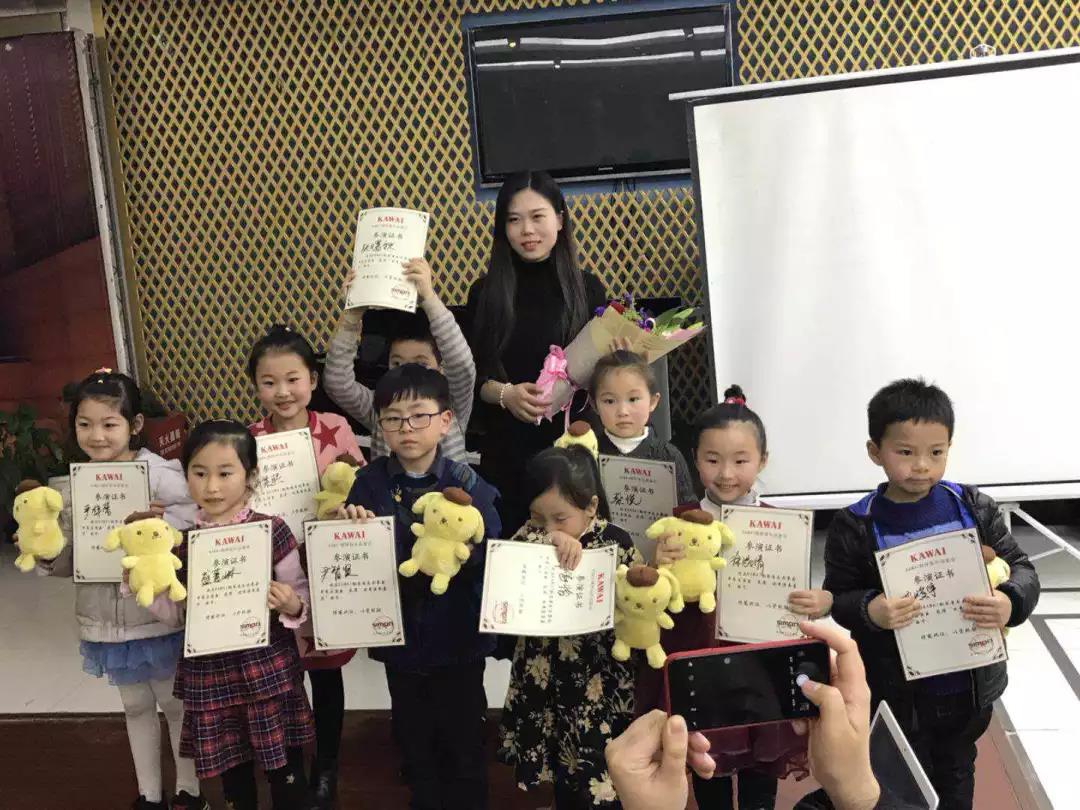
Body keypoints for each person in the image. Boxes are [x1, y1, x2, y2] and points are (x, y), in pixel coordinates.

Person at [823, 378, 1040, 810]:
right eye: (905, 452)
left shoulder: (972, 506)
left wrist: (1009, 601)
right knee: (899, 778)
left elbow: (1023, 569)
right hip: (896, 688)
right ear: (875, 451)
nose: (922, 465)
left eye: (936, 452)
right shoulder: (857, 523)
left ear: (949, 448)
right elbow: (838, 596)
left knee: (957, 770)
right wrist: (870, 609)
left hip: (968, 686)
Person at [640, 385, 827, 809]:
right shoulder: (677, 522)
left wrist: (814, 602)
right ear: (695, 459)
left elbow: (796, 599)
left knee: (763, 761)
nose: (726, 473)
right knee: (709, 760)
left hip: (758, 664)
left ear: (763, 460)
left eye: (741, 461)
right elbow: (654, 596)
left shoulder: (782, 528)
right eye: (712, 460)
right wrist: (658, 565)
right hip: (700, 658)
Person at [32, 370, 205, 810]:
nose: (97, 435)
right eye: (84, 424)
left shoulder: (159, 474)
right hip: (103, 619)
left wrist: (163, 525)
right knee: (134, 705)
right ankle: (149, 795)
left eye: (109, 424)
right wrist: (46, 550)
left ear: (135, 424)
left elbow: (201, 513)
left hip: (156, 613)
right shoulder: (71, 486)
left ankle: (189, 791)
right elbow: (69, 559)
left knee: (174, 703)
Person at [341, 364, 501, 810]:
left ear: (445, 421)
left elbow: (493, 549)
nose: (406, 428)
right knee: (414, 744)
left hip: (459, 638)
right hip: (401, 639)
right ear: (380, 426)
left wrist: (461, 552)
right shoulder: (368, 483)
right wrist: (350, 528)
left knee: (465, 743)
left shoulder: (467, 482)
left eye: (419, 416)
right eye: (393, 419)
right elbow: (351, 557)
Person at [164, 421, 315, 810]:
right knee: (234, 776)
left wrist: (291, 605)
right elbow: (175, 615)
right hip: (210, 675)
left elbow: (299, 594)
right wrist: (145, 586)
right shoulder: (181, 545)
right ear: (186, 476)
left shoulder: (272, 530)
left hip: (266, 671)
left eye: (225, 473)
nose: (211, 486)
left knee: (285, 771)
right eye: (199, 473)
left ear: (250, 476)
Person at [246, 325, 365, 808]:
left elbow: (359, 488)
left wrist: (346, 511)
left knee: (326, 672)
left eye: (292, 379)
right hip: (275, 574)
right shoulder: (249, 439)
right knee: (283, 674)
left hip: (325, 569)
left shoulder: (335, 428)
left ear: (312, 380)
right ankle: (291, 764)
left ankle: (327, 767)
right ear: (256, 386)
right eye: (269, 382)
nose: (283, 392)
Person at [605, 621, 883, 810]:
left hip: (763, 637)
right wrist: (857, 794)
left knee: (763, 743)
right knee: (708, 744)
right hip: (703, 638)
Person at [466, 170, 608, 530]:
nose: (527, 230)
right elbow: (470, 377)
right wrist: (506, 394)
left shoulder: (588, 289)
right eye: (514, 220)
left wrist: (618, 358)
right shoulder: (484, 293)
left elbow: (600, 377)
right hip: (508, 450)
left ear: (559, 219)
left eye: (537, 217)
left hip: (572, 451)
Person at [497, 446, 637, 809]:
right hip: (544, 671)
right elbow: (507, 577)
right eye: (538, 516)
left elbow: (637, 601)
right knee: (559, 758)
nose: (548, 527)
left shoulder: (615, 541)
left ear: (591, 506)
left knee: (601, 763)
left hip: (597, 675)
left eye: (560, 518)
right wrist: (549, 541)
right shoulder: (528, 537)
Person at [324, 256, 475, 461]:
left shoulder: (450, 402)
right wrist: (352, 315)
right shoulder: (380, 405)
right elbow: (337, 382)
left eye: (421, 364)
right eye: (396, 363)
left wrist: (429, 298)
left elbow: (462, 364)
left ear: (441, 368)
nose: (407, 372)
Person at [588, 350, 696, 505]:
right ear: (594, 405)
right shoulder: (588, 456)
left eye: (633, 399)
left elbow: (688, 507)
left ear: (652, 401)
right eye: (610, 401)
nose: (623, 411)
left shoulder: (668, 456)